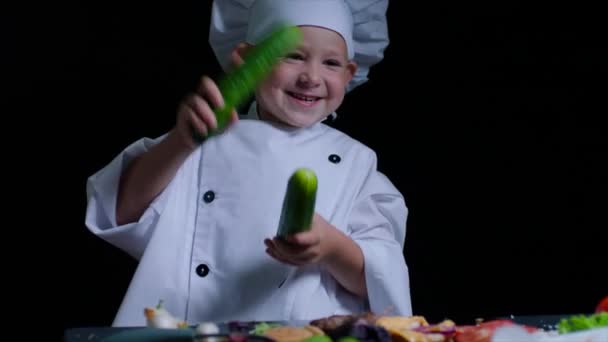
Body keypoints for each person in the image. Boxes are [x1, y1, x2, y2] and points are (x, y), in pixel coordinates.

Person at [85, 0, 412, 327]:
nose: (311, 77)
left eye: (331, 63)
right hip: (187, 329)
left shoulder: (357, 164)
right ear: (244, 59)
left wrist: (332, 247)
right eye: (294, 56)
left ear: (350, 73)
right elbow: (122, 210)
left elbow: (379, 279)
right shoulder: (203, 137)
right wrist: (180, 143)